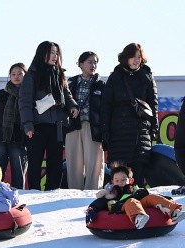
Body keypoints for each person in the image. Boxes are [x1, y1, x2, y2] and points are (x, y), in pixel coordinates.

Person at [19, 41, 78, 191]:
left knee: (55, 161)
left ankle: (53, 191)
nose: (55, 56)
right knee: (35, 161)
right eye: (51, 52)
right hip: (37, 125)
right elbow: (25, 102)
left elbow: (67, 94)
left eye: (57, 53)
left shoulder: (60, 74)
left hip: (57, 125)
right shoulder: (31, 75)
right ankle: (34, 191)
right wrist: (28, 124)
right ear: (42, 54)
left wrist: (72, 105)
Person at [100, 43, 158, 186]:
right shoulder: (115, 77)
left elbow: (153, 103)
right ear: (126, 57)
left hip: (141, 130)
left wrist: (154, 127)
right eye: (133, 56)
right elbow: (106, 106)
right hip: (119, 131)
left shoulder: (147, 76)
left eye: (139, 57)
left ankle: (137, 202)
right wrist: (105, 130)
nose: (136, 60)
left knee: (138, 174)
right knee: (120, 174)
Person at [85, 164, 183, 229]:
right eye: (117, 180)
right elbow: (100, 202)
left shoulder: (134, 189)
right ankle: (138, 218)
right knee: (131, 200)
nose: (120, 183)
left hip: (139, 203)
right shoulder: (112, 193)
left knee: (151, 197)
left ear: (130, 180)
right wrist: (92, 208)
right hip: (121, 207)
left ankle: (174, 211)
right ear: (112, 182)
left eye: (123, 180)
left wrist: (165, 199)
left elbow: (149, 197)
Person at [65, 52, 106, 190]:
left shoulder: (101, 84)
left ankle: (93, 192)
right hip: (73, 126)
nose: (93, 65)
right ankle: (74, 192)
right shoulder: (70, 82)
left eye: (95, 62)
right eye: (89, 62)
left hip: (93, 126)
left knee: (94, 162)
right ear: (80, 64)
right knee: (74, 162)